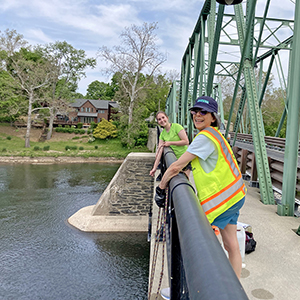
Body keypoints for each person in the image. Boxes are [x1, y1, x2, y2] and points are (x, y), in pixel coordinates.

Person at [155, 96, 246, 279]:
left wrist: (161, 187)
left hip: (224, 200)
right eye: (195, 111)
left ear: (213, 117)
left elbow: (175, 167)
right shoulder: (215, 134)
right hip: (236, 194)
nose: (197, 115)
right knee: (231, 245)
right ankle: (234, 286)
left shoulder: (204, 137)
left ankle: (215, 286)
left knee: (203, 244)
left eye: (203, 112)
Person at [149, 111, 190, 178]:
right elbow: (159, 151)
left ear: (167, 118)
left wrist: (170, 143)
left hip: (185, 158)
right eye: (159, 119)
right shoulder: (162, 134)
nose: (162, 120)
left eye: (163, 117)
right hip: (175, 160)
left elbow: (186, 141)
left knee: (184, 182)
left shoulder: (177, 127)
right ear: (158, 122)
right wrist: (154, 168)